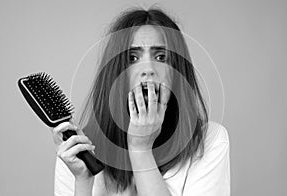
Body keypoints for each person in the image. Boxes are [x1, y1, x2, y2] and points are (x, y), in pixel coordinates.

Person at [52, 7, 230, 196]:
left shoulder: (210, 140)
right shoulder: (78, 150)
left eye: (161, 57)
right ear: (115, 73)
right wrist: (83, 181)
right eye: (132, 58)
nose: (148, 69)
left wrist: (140, 148)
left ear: (178, 73)